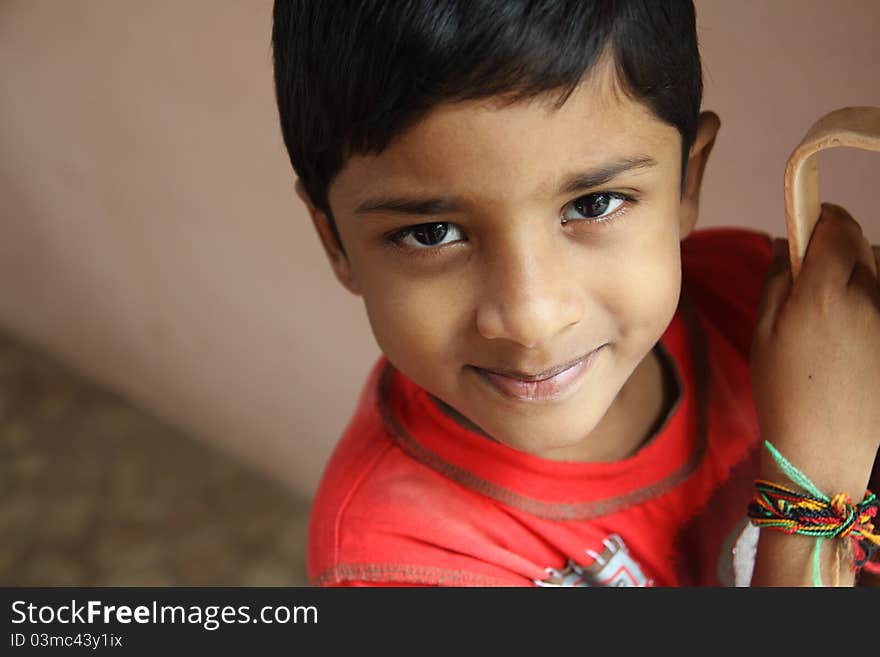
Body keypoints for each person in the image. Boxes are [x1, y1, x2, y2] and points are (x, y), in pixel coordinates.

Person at [271, 0, 880, 586]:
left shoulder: (768, 310)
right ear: (335, 241)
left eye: (593, 204)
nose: (531, 318)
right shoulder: (397, 564)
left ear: (686, 181)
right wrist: (814, 494)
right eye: (430, 234)